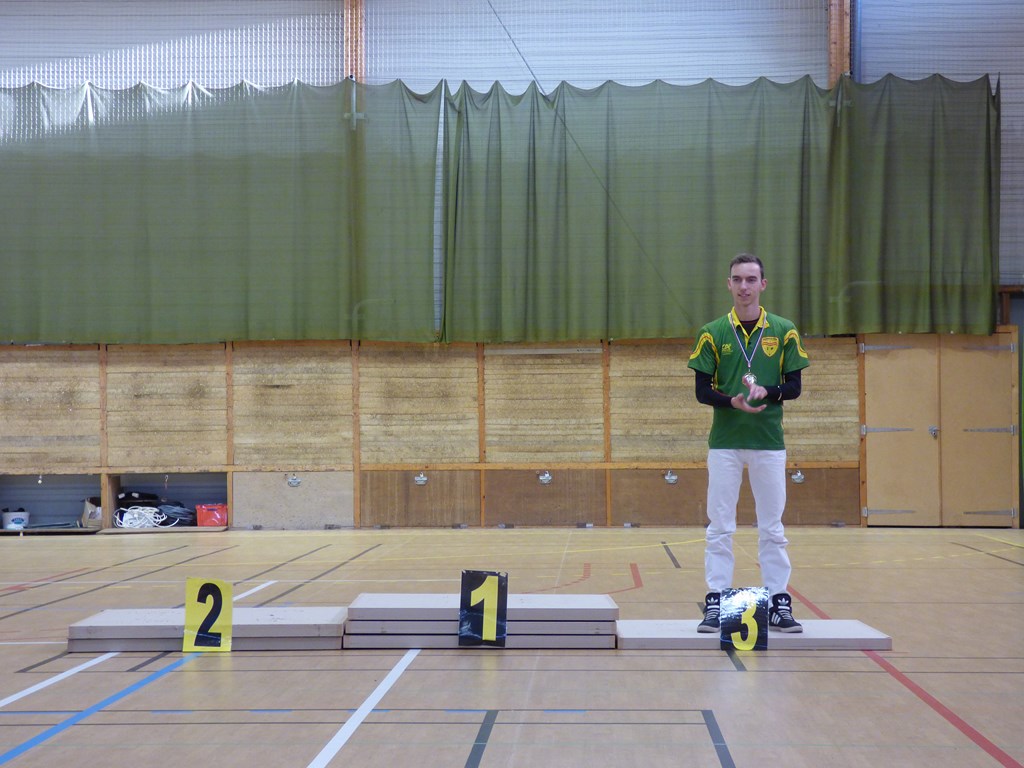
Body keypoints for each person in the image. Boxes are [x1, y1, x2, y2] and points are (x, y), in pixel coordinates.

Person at [687, 253, 809, 633]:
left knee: (772, 528)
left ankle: (778, 603)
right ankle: (716, 601)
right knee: (720, 526)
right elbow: (702, 391)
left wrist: (767, 391)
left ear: (763, 284)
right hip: (725, 442)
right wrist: (733, 402)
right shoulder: (712, 332)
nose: (744, 287)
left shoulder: (784, 330)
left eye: (751, 279)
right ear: (729, 284)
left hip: (768, 442)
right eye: (737, 279)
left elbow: (794, 387)